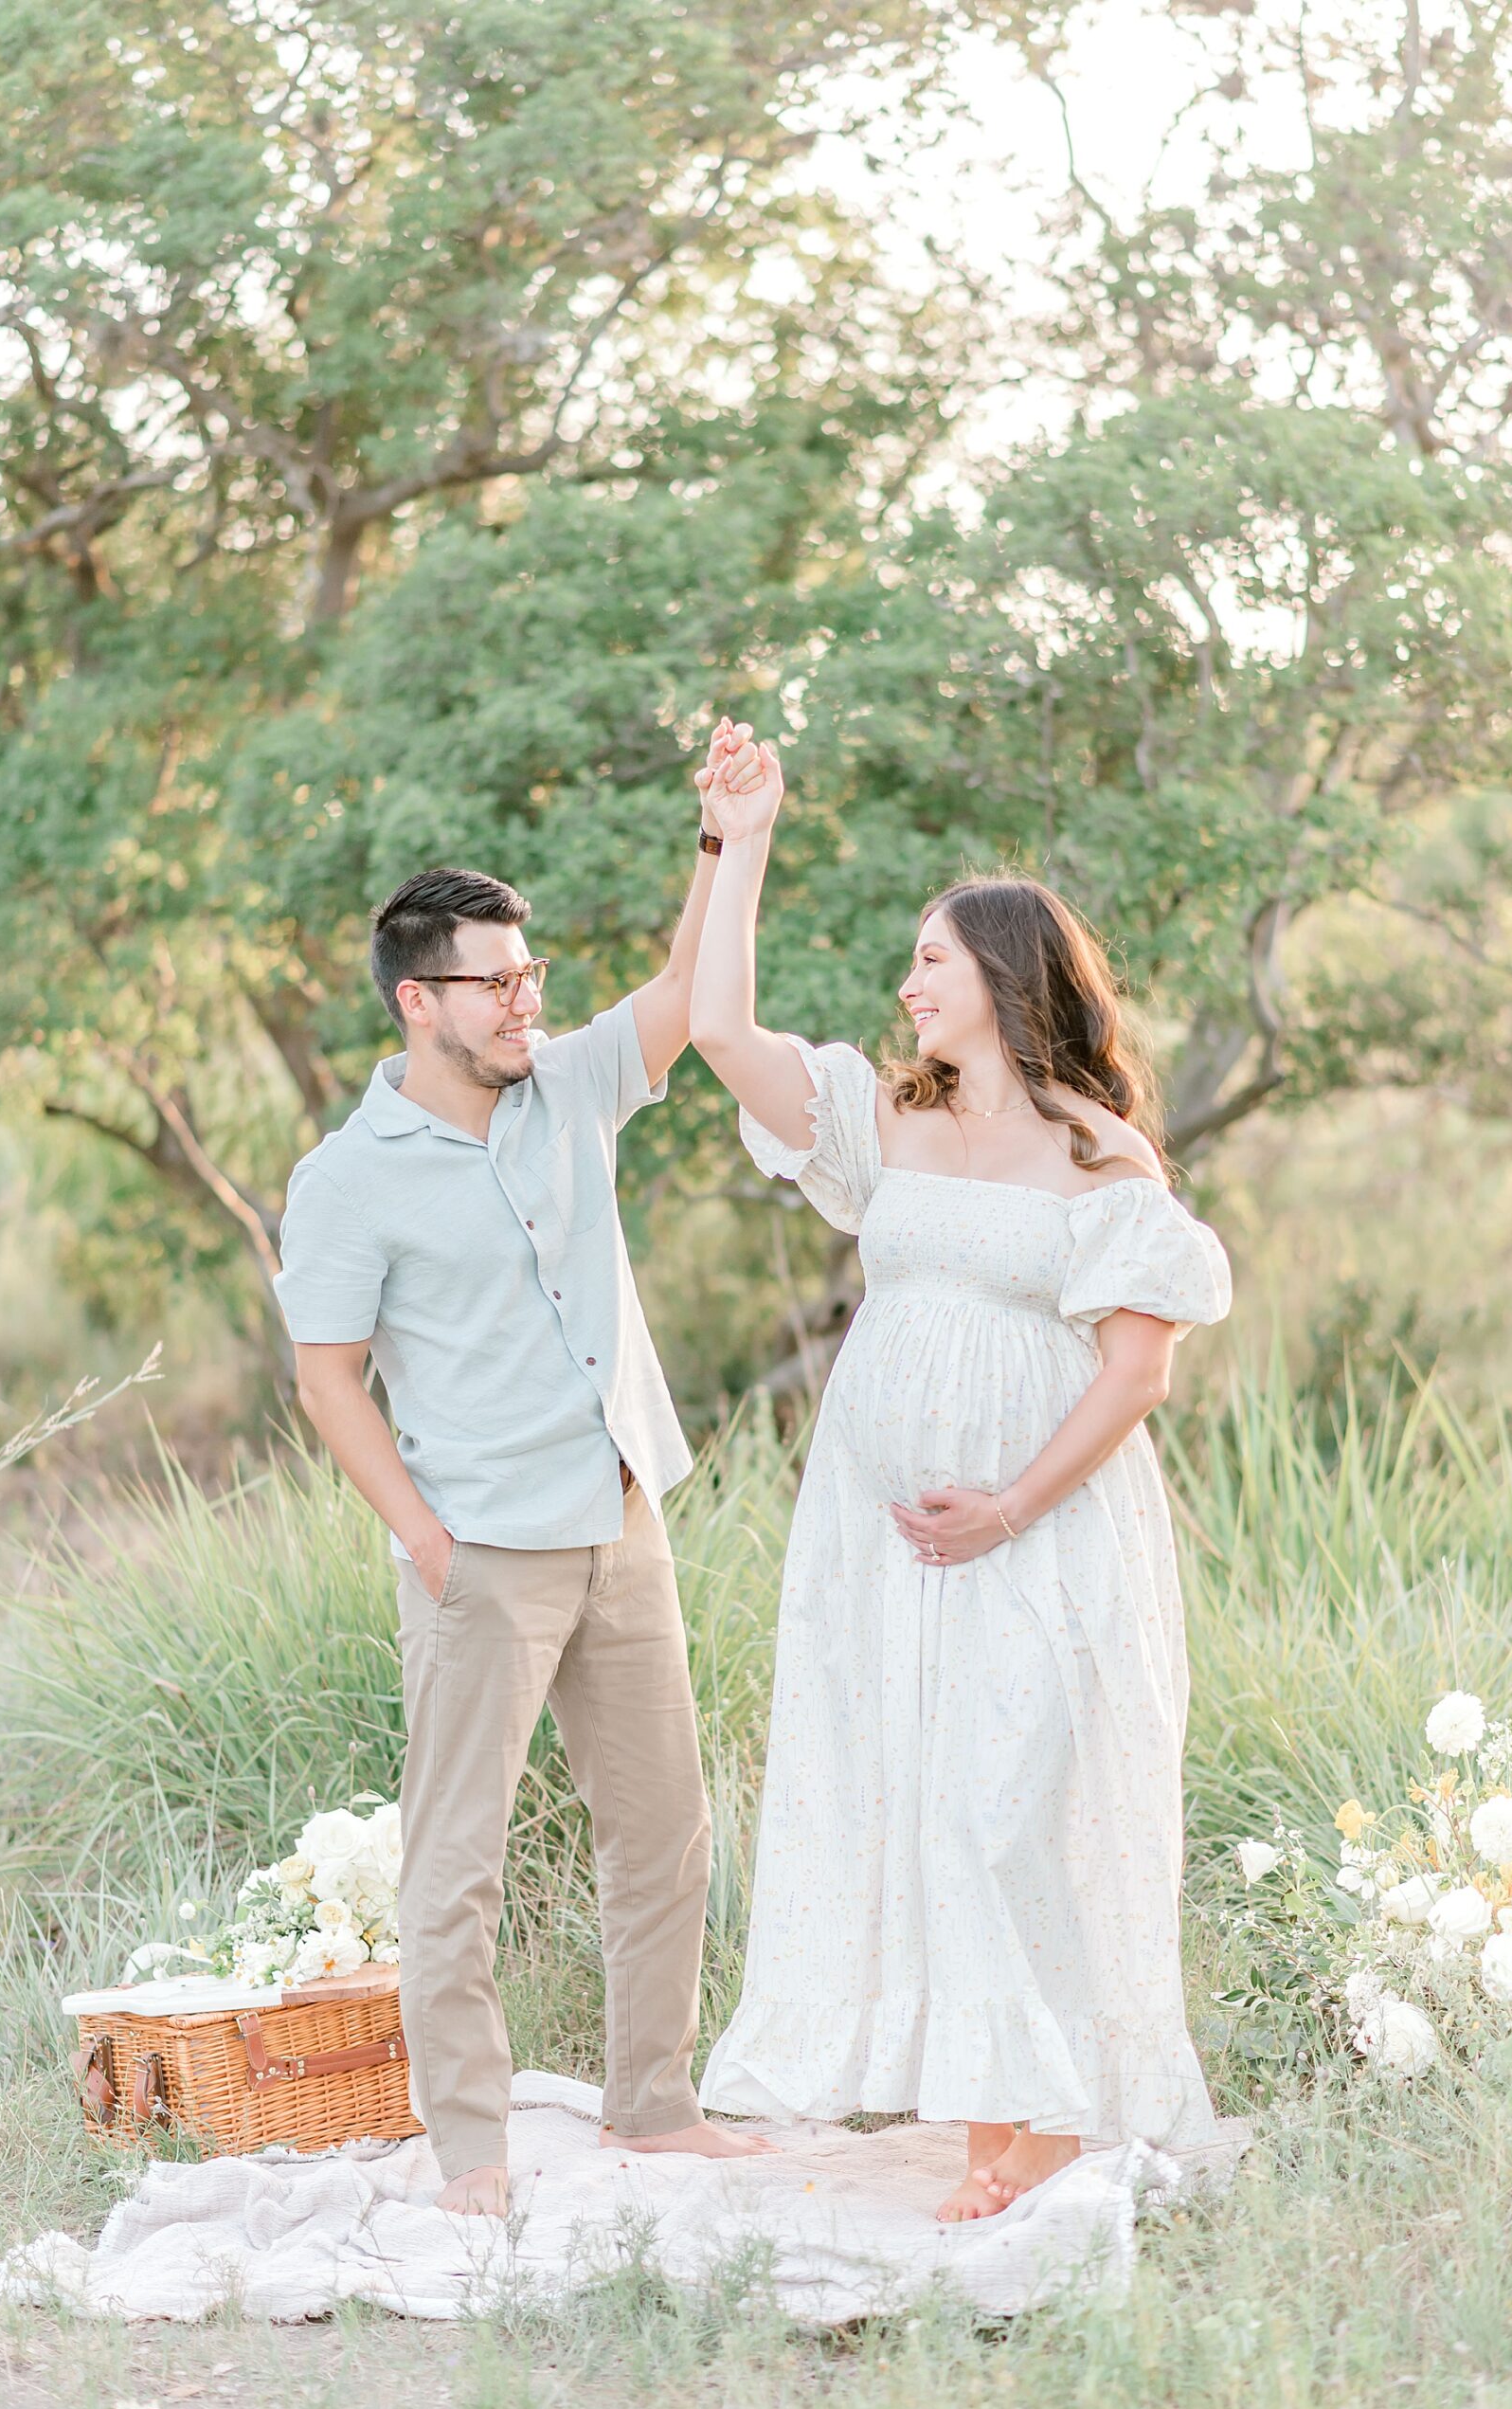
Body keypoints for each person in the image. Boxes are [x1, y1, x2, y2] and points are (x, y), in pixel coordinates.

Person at [689, 734, 1233, 2221]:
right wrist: (738, 843)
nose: (911, 981)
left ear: (1004, 974)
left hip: (1040, 1534)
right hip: (878, 1544)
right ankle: (996, 2112)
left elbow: (1138, 1371)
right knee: (924, 1799)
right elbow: (718, 1024)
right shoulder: (885, 1116)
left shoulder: (1097, 1156)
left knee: (1010, 1805)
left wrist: (1006, 1503)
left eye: (934, 958)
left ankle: (1048, 2117)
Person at [272, 720, 773, 2216]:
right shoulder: (346, 1176)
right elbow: (326, 1380)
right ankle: (473, 2150)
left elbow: (687, 997)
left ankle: (654, 2102)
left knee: (665, 1830)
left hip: (619, 1522)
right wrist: (425, 1543)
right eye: (497, 981)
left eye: (532, 974)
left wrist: (723, 841)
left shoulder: (569, 1088)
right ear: (419, 1000)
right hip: (478, 1552)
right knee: (459, 1867)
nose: (526, 1000)